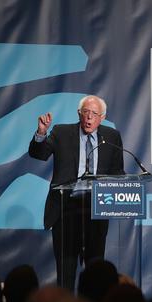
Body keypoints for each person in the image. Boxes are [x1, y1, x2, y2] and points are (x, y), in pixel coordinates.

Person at [29, 95, 125, 291]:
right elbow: (39, 154)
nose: (89, 118)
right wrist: (41, 133)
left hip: (96, 211)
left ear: (102, 117)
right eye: (86, 112)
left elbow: (118, 172)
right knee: (66, 274)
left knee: (96, 276)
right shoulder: (62, 132)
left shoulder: (112, 137)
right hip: (66, 211)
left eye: (94, 114)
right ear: (79, 114)